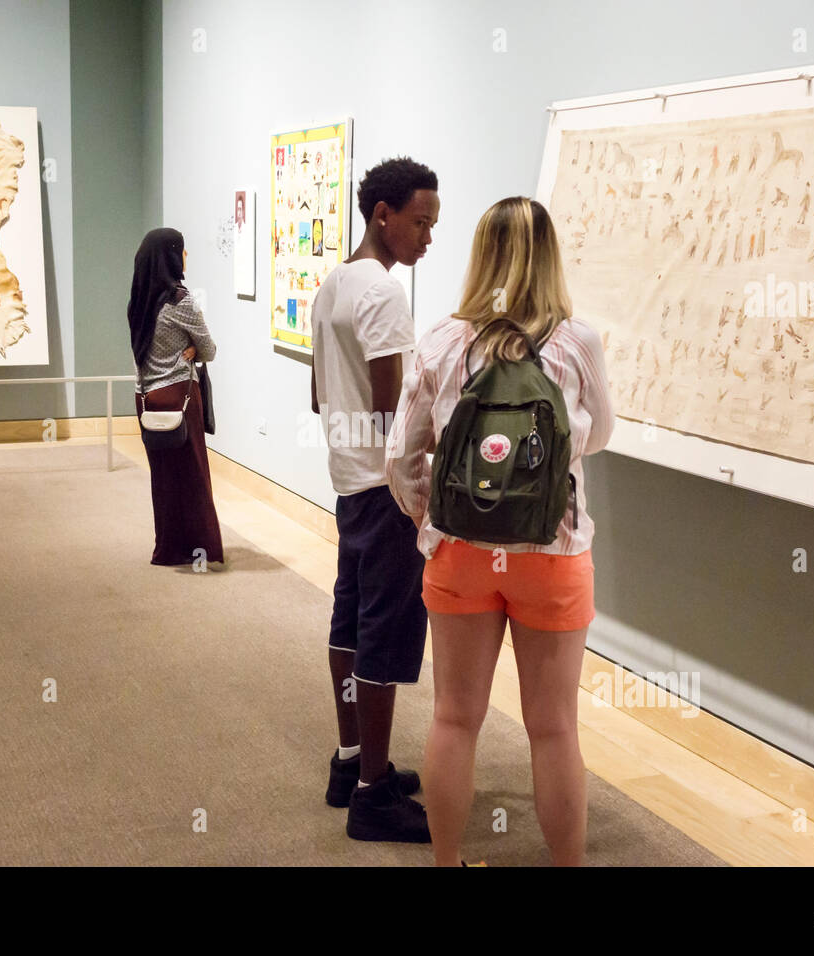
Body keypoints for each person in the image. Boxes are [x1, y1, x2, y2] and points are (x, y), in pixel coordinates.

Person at [385, 196, 614, 866]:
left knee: (455, 719)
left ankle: (448, 862)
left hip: (460, 557)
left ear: (480, 255)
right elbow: (598, 435)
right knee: (554, 729)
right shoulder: (578, 342)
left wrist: (432, 519)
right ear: (550, 258)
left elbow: (400, 458)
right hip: (554, 554)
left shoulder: (443, 341)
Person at [310, 156, 440, 842]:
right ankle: (372, 798)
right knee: (383, 637)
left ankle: (354, 760)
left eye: (432, 226)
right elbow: (396, 411)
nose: (426, 239)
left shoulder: (331, 284)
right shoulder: (386, 295)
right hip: (385, 491)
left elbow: (317, 396)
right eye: (419, 223)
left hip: (345, 480)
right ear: (382, 215)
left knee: (350, 621)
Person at [127, 227, 224, 568]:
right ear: (170, 255)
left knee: (163, 479)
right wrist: (196, 347)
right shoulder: (180, 302)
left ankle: (167, 548)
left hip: (145, 398)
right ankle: (201, 548)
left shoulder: (139, 301)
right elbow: (210, 350)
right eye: (181, 250)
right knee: (194, 474)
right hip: (179, 397)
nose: (186, 257)